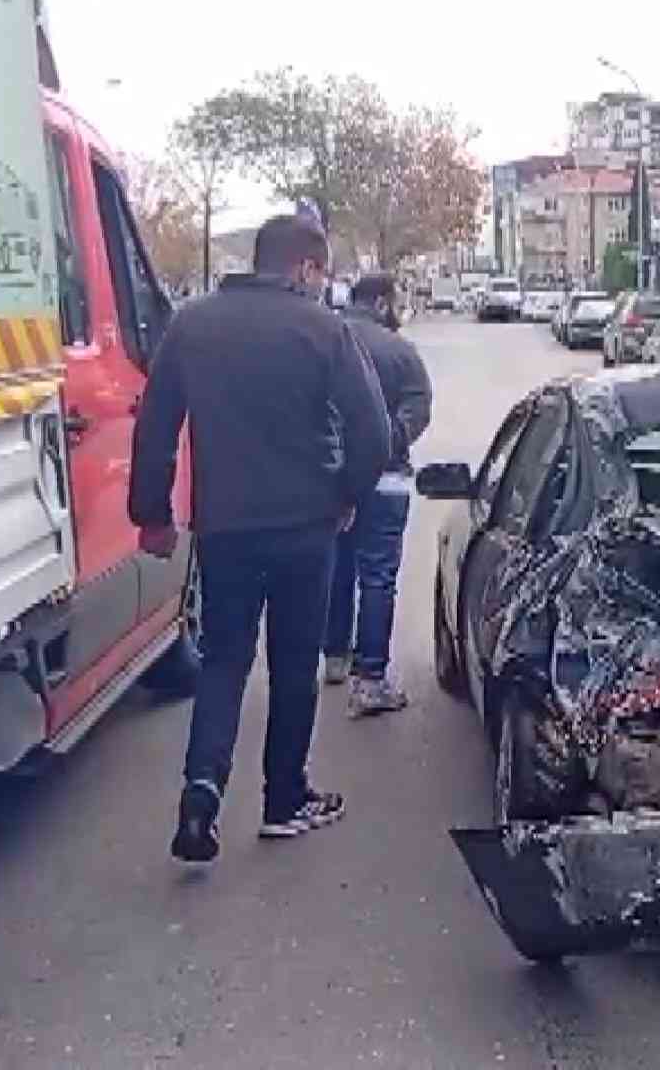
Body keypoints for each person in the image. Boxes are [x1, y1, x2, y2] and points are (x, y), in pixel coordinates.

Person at [130, 213, 392, 862]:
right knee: (294, 665)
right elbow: (374, 433)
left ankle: (201, 789)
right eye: (321, 270)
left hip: (225, 530)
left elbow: (155, 426)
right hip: (306, 528)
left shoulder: (191, 324)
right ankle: (284, 799)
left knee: (224, 659)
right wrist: (347, 497)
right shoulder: (323, 329)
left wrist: (153, 515)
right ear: (303, 265)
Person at [324, 274, 433, 716]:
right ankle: (370, 677)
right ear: (384, 301)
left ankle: (334, 656)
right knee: (378, 576)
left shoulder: (327, 341)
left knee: (338, 567)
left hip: (332, 479)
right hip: (386, 479)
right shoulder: (400, 350)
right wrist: (389, 439)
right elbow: (419, 406)